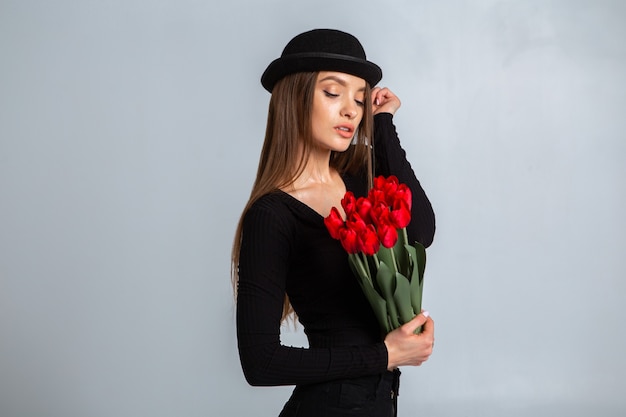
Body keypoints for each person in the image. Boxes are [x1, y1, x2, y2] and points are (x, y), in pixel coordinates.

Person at [231, 29, 436, 417]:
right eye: (332, 92)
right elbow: (260, 363)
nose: (350, 110)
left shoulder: (359, 177)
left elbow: (420, 232)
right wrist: (386, 354)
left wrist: (382, 125)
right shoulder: (272, 215)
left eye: (359, 98)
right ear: (295, 97)